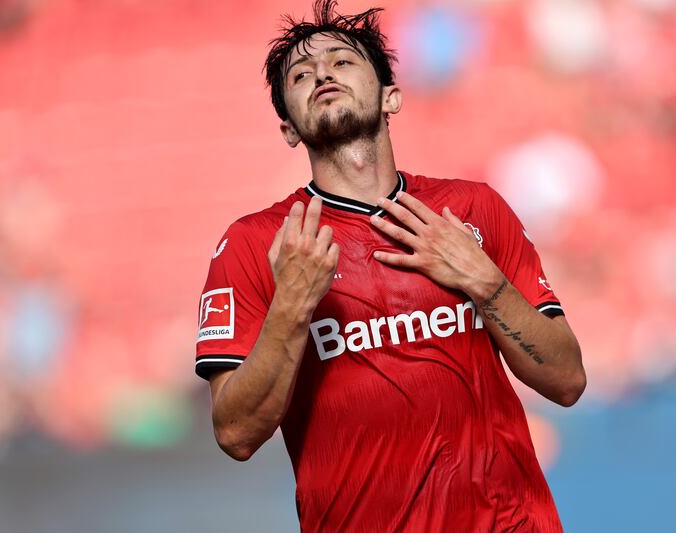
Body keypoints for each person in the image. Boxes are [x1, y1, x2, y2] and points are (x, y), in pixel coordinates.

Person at [194, 1, 586, 531]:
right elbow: (236, 435)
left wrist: (485, 283)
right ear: (288, 128)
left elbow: (566, 380)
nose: (322, 74)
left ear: (390, 96)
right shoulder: (257, 244)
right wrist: (291, 307)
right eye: (301, 74)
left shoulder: (473, 210)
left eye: (342, 61)